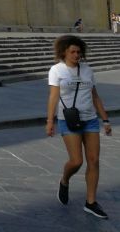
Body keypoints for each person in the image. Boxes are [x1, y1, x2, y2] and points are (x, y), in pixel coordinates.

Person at [47, 35, 112, 219]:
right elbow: (53, 97)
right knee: (76, 161)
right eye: (73, 52)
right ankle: (65, 180)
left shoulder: (87, 70)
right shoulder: (57, 70)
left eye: (79, 52)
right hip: (67, 120)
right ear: (64, 52)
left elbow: (95, 96)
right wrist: (50, 121)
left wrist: (105, 120)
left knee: (94, 160)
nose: (77, 55)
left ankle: (90, 202)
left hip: (90, 119)